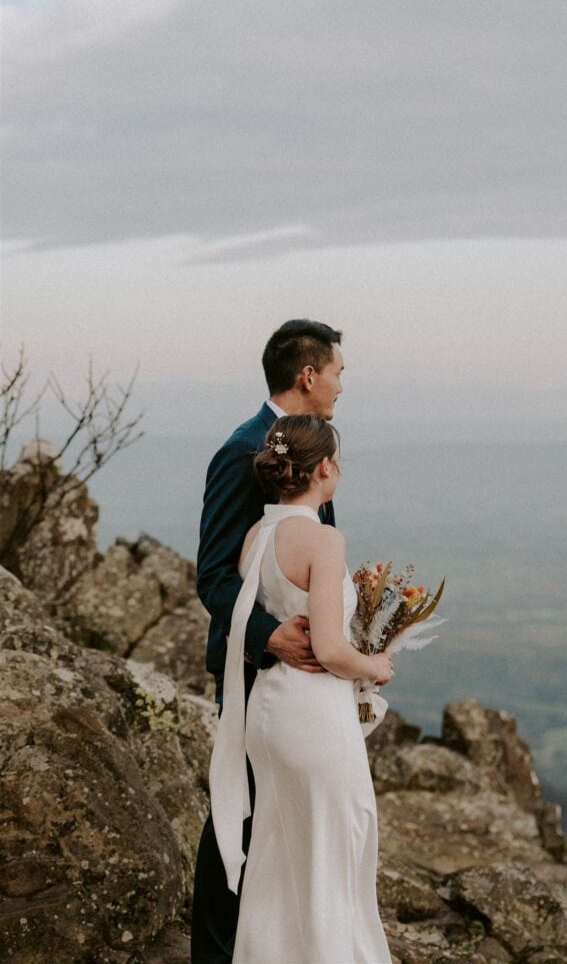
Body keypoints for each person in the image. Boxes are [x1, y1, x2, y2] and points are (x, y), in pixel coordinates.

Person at [210, 414, 393, 963]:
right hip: (314, 716)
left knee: (276, 854)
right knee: (334, 854)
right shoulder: (322, 539)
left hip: (268, 714)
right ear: (324, 469)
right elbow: (332, 651)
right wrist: (377, 665)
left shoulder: (255, 535)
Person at [192, 320, 345, 964]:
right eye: (338, 372)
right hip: (257, 664)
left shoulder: (305, 443)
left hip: (306, 667)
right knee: (242, 803)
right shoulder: (242, 449)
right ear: (308, 375)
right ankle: (215, 950)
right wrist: (269, 635)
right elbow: (214, 571)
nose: (341, 385)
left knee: (283, 808)